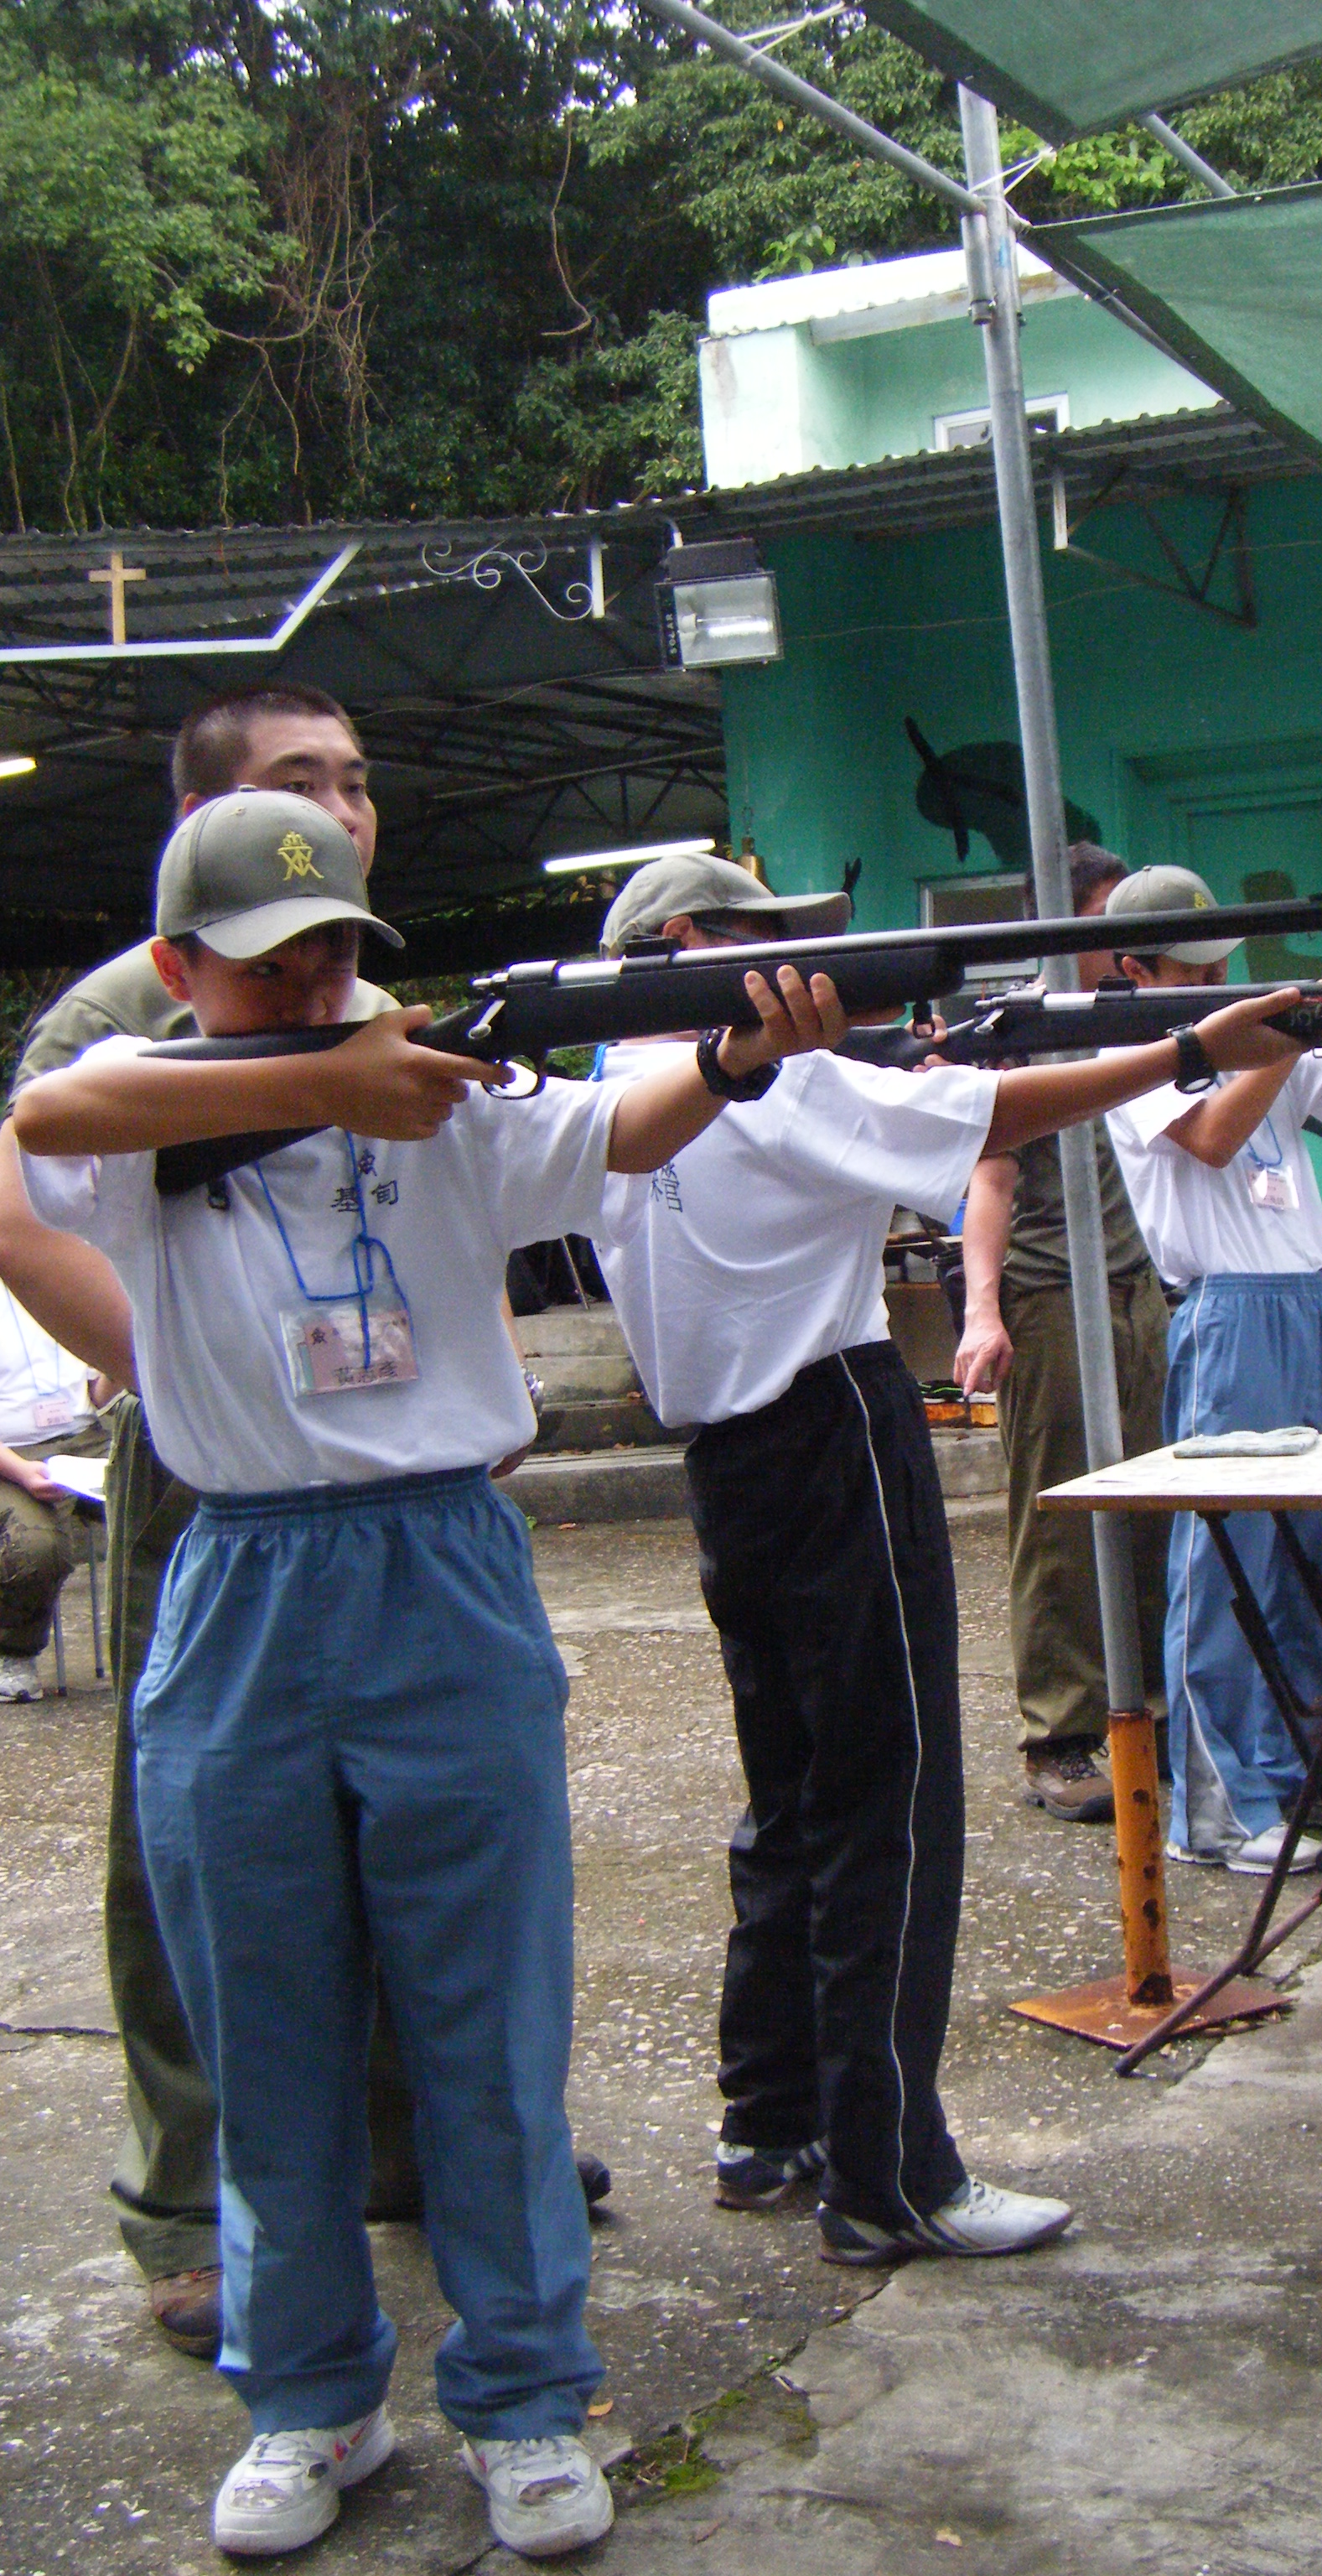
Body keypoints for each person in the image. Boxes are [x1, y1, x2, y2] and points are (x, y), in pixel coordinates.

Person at [11, 788, 843, 2560]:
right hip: (237, 1576)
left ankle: (529, 2397)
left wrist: (745, 1058)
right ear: (177, 971)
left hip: (441, 1565)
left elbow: (624, 1131)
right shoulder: (168, 1106)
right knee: (266, 2027)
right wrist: (322, 1077)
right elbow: (48, 1114)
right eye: (267, 965)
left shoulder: (447, 1094)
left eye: (337, 958)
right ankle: (307, 2395)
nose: (316, 987)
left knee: (486, 2017)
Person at [0, 684, 613, 2362]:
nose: (337, 806)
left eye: (353, 781)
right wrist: (202, 1379)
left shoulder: (377, 998)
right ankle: (197, 2211)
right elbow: (28, 1183)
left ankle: (434, 2174)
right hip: (209, 1477)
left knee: (450, 1886)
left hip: (400, 1499)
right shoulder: (132, 1011)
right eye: (294, 783)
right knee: (203, 1880)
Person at [588, 854, 1314, 2267]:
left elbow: (939, 1095)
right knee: (891, 1810)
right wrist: (1184, 1045)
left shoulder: (609, 1094)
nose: (808, 965)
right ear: (691, 945)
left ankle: (771, 2115)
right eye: (768, 944)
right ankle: (888, 2171)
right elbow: (996, 1111)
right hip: (836, 1429)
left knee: (795, 1797)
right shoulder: (771, 1081)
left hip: (731, 1462)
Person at [1101, 865, 1322, 1876]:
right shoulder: (1133, 1052)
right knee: (1227, 1564)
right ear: (1136, 967)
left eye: (1226, 963)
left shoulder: (1254, 1042)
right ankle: (1215, 1804)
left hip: (1305, 1301)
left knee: (1315, 1550)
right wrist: (1290, 1033)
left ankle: (1307, 1766)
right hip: (1226, 1310)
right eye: (1195, 965)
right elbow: (1216, 1139)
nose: (1220, 980)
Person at [953, 842, 1169, 1824]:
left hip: (1133, 1289)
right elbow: (989, 1178)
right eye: (1108, 915)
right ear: (1067, 923)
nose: (1126, 933)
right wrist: (982, 1308)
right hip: (1048, 1297)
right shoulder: (1022, 1032)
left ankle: (1148, 1704)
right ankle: (1062, 1737)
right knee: (1060, 1525)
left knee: (1157, 1506)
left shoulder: (1129, 1019)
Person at [0, 1281, 105, 1697]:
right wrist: (22, 1472)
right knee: (37, 1548)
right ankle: (14, 1651)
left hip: (83, 1437)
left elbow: (97, 1395)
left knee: (167, 1498)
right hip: (11, 1452)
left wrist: (117, 1365)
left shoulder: (62, 1279)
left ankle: (162, 1643)